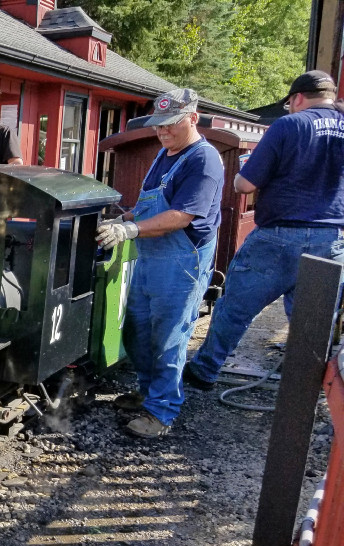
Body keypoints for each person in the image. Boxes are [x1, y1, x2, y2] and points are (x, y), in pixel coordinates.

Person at [184, 70, 344, 392]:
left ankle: (204, 371)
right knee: (313, 327)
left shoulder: (289, 125)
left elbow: (245, 184)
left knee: (235, 309)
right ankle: (304, 394)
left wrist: (248, 168)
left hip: (279, 237)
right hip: (333, 240)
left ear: (296, 98)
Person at [95, 88, 224, 439]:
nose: (162, 132)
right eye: (158, 126)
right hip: (150, 258)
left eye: (171, 125)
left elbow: (181, 216)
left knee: (169, 336)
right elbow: (148, 205)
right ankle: (148, 391)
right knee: (137, 331)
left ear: (193, 118)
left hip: (181, 263)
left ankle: (162, 411)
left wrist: (131, 229)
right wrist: (123, 218)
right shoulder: (163, 155)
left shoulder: (204, 160)